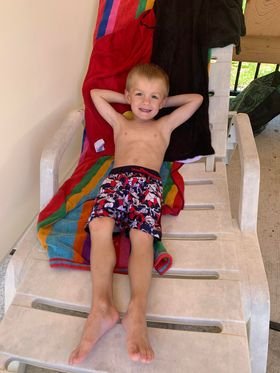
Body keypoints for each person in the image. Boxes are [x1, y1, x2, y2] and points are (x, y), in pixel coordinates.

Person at [69, 63, 203, 365]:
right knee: (101, 224)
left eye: (155, 97)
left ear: (164, 100)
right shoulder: (120, 122)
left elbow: (196, 99)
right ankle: (101, 306)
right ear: (129, 97)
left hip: (148, 184)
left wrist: (163, 101)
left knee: (141, 236)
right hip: (116, 180)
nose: (146, 102)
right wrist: (128, 97)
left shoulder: (163, 126)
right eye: (140, 95)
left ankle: (137, 312)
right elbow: (95, 95)